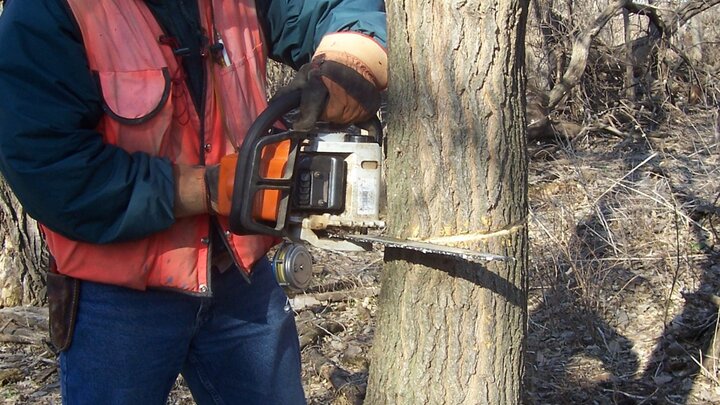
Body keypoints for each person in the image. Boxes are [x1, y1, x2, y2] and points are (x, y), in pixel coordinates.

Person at [0, 0, 387, 403]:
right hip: (117, 294)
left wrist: (348, 63)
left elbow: (334, 7)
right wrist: (202, 188)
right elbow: (48, 167)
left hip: (239, 275)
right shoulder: (48, 10)